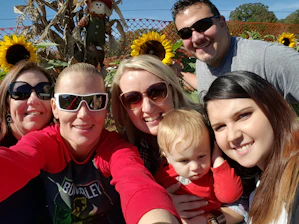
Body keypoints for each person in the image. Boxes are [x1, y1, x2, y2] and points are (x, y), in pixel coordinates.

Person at [0, 63, 181, 224]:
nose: (83, 114)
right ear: (55, 108)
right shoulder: (45, 143)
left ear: (106, 108)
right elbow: (18, 159)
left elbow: (136, 182)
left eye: (95, 102)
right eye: (70, 101)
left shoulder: (114, 148)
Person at [111, 54, 245, 224]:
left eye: (157, 92)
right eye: (132, 99)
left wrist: (209, 219)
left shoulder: (208, 129)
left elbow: (249, 197)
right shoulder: (132, 148)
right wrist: (162, 206)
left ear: (172, 90)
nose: (148, 107)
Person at [203, 70, 299, 224]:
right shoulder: (260, 184)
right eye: (220, 126)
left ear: (273, 109)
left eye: (243, 116)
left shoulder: (295, 178)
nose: (232, 136)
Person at [171, 0, 299, 103]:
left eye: (203, 25)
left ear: (222, 22)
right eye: (185, 33)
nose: (196, 38)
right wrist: (180, 73)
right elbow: (207, 84)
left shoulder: (268, 57)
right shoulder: (202, 64)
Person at [155, 108, 243, 213]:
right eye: (184, 160)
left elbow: (230, 196)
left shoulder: (213, 174)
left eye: (201, 156)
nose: (195, 166)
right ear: (167, 157)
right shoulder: (165, 174)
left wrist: (218, 160)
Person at [0, 60, 54, 224]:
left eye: (44, 91)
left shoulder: (67, 147)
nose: (33, 99)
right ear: (7, 104)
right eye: (21, 92)